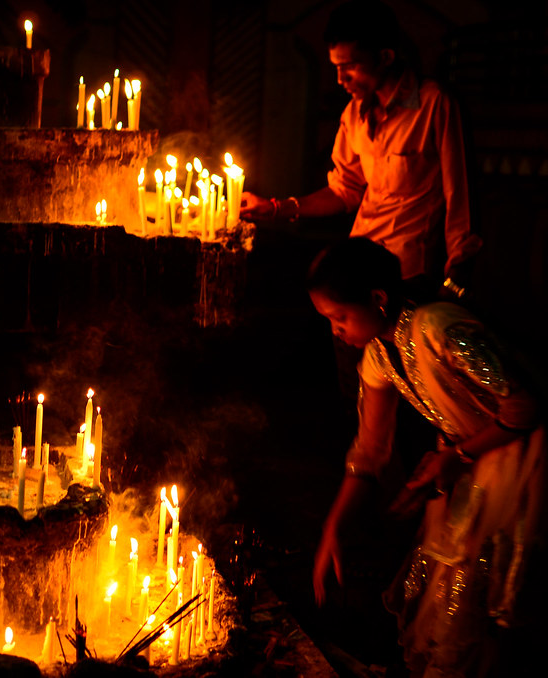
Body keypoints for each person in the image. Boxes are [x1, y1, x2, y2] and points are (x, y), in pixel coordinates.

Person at [307, 237, 544, 677]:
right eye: (328, 320)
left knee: (497, 604)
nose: (335, 330)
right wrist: (333, 527)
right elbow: (370, 450)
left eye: (339, 316)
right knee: (456, 600)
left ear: (377, 298)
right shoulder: (379, 354)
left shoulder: (438, 327)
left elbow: (525, 406)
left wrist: (458, 455)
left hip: (521, 463)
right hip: (469, 463)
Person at [242, 0, 482, 299]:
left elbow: (461, 198)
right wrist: (276, 208)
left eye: (350, 67)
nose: (340, 80)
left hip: (409, 275)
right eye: (336, 68)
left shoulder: (435, 105)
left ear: (385, 57)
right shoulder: (354, 114)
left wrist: (456, 278)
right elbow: (345, 190)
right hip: (357, 266)